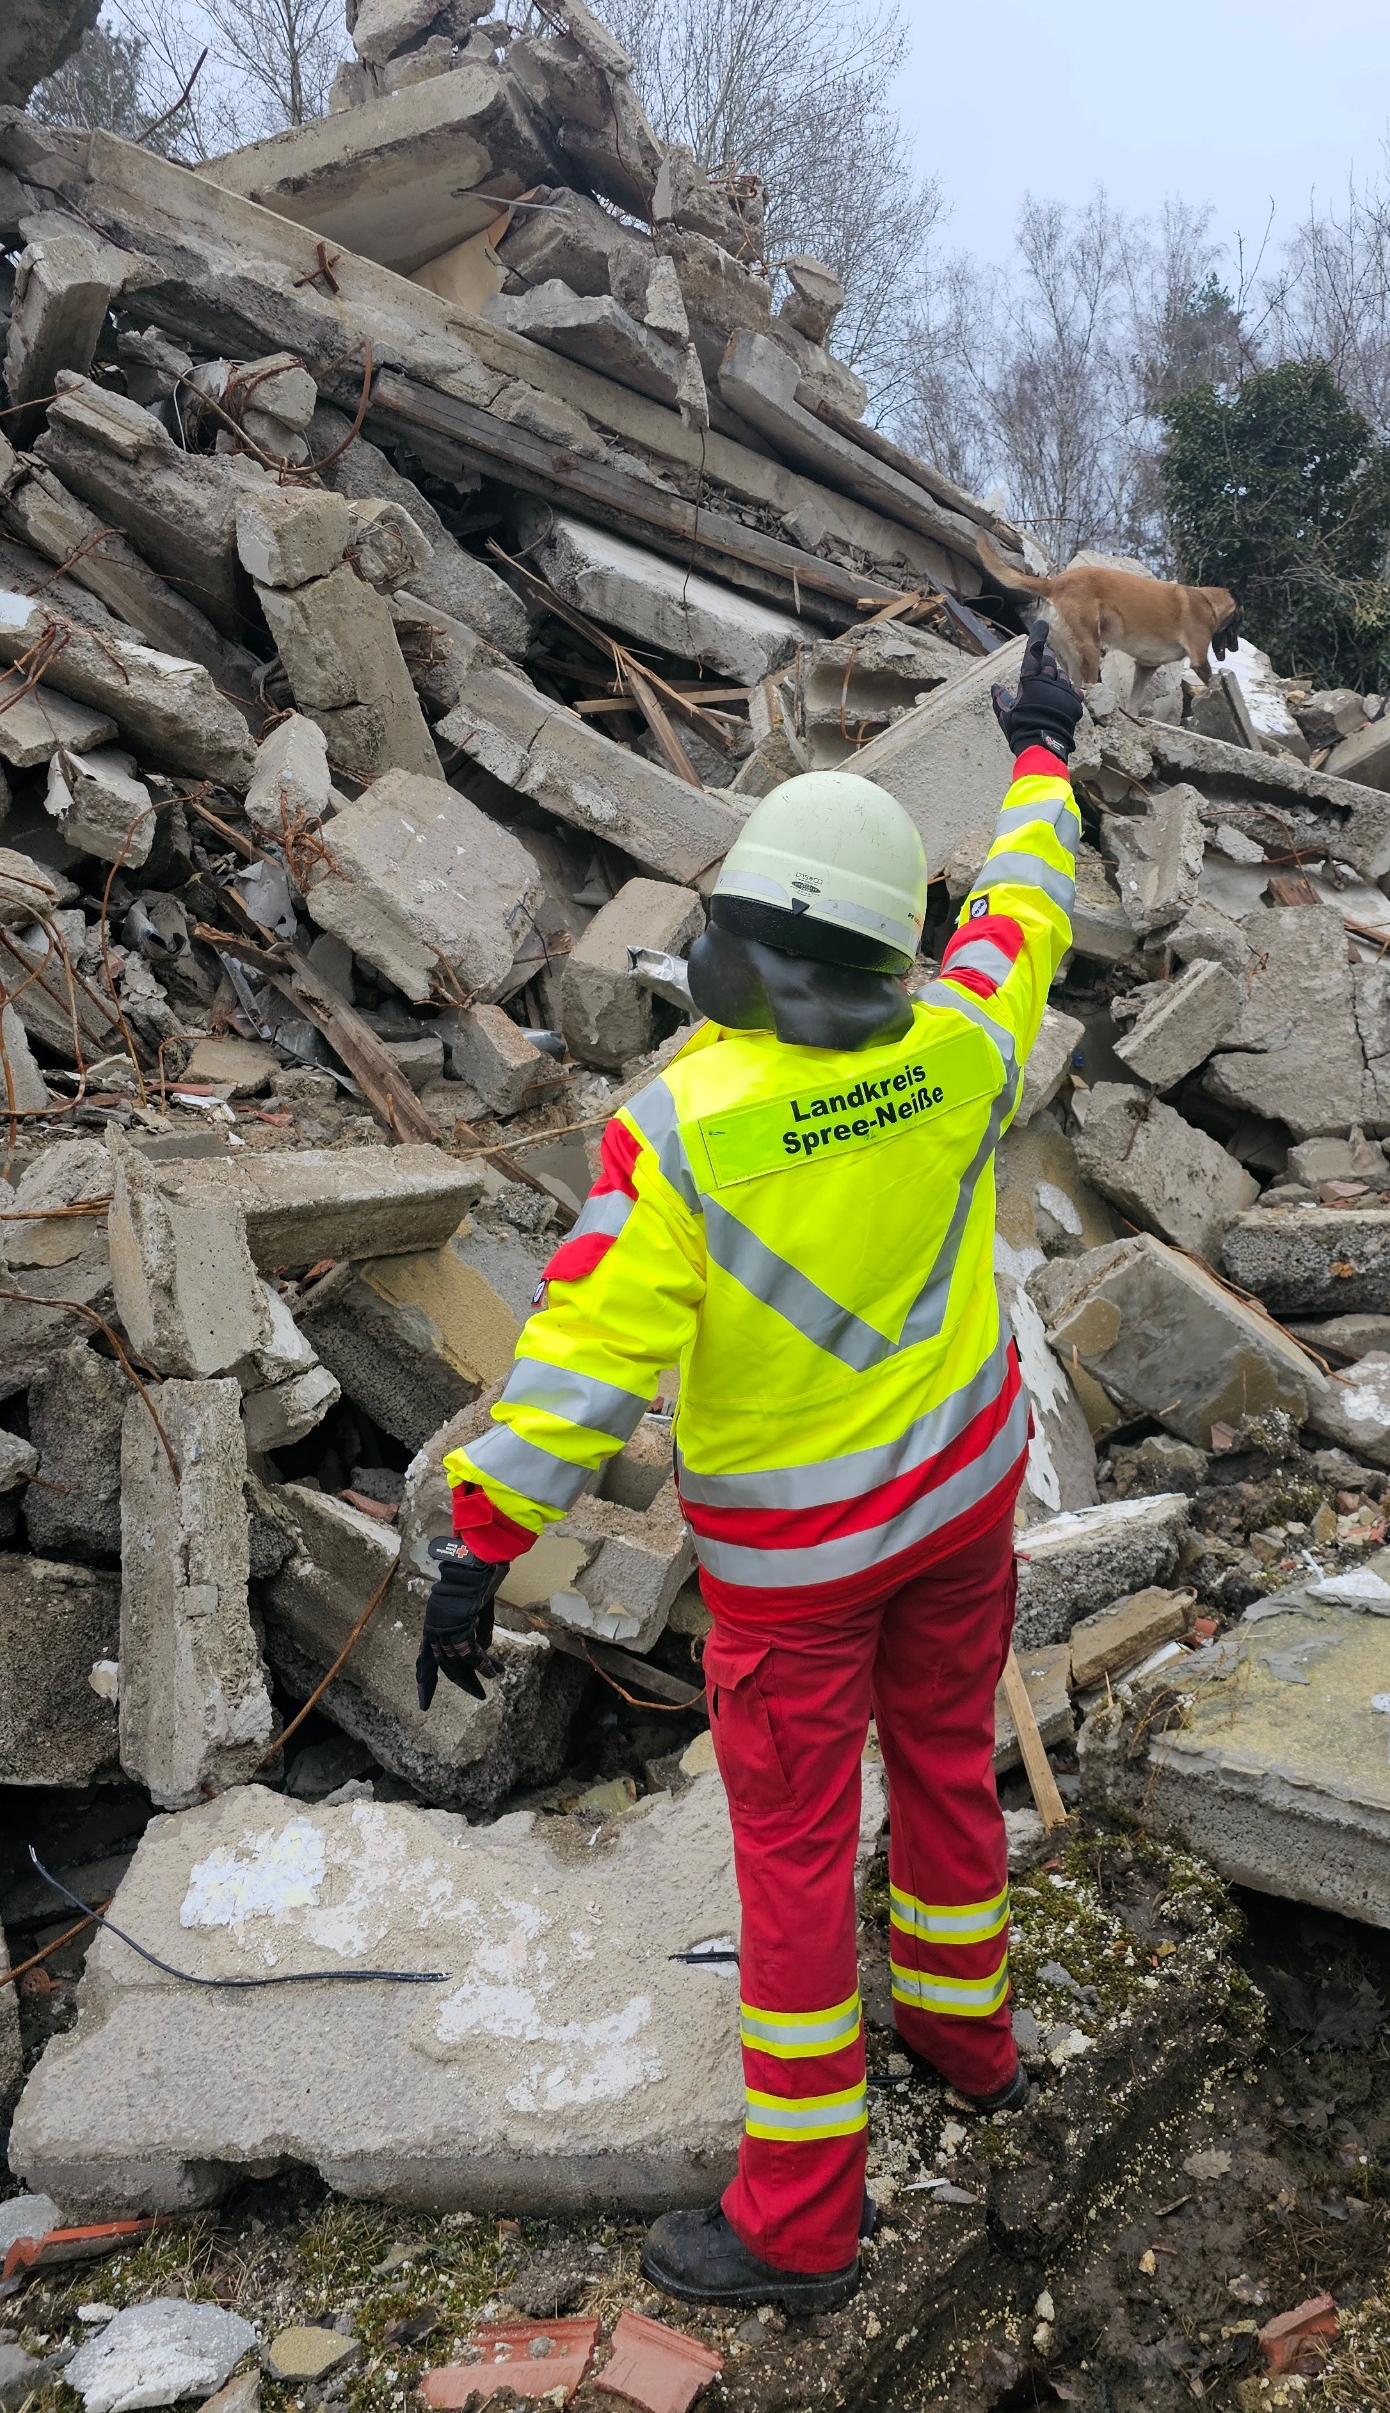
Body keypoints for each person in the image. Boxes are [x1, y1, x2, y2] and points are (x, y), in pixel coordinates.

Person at [412, 625, 1085, 2311]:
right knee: (949, 1765)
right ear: (885, 944)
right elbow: (1025, 912)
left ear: (743, 939)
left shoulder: (682, 1129)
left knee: (793, 1870)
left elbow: (584, 1368)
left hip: (798, 1582)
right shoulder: (960, 1049)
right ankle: (969, 2039)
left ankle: (801, 2224)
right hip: (965, 1509)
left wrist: (481, 1541)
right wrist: (1043, 755)